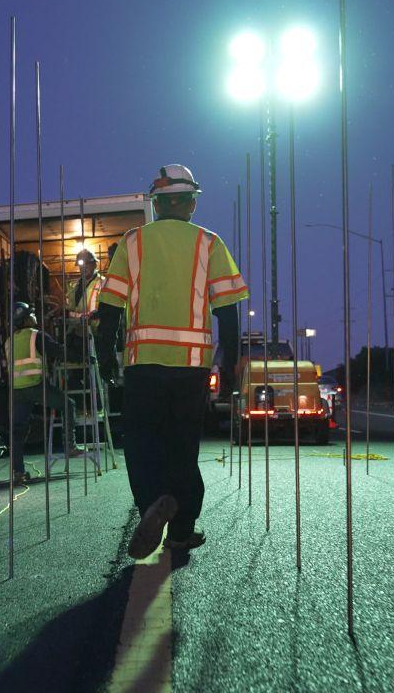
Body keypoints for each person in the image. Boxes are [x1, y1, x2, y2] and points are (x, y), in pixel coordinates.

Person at [97, 163, 247, 558]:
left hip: (143, 364)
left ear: (157, 203)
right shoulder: (209, 244)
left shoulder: (132, 243)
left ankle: (152, 503)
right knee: (182, 446)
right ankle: (181, 529)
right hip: (191, 368)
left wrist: (104, 358)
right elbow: (228, 312)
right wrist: (231, 367)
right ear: (192, 204)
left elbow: (109, 308)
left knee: (143, 442)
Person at [7, 301, 77, 484]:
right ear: (26, 319)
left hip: (17, 391)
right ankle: (69, 446)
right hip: (36, 386)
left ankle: (17, 472)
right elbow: (59, 352)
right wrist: (84, 356)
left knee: (17, 431)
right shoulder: (36, 336)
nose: (35, 316)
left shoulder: (9, 340)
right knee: (68, 404)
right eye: (33, 313)